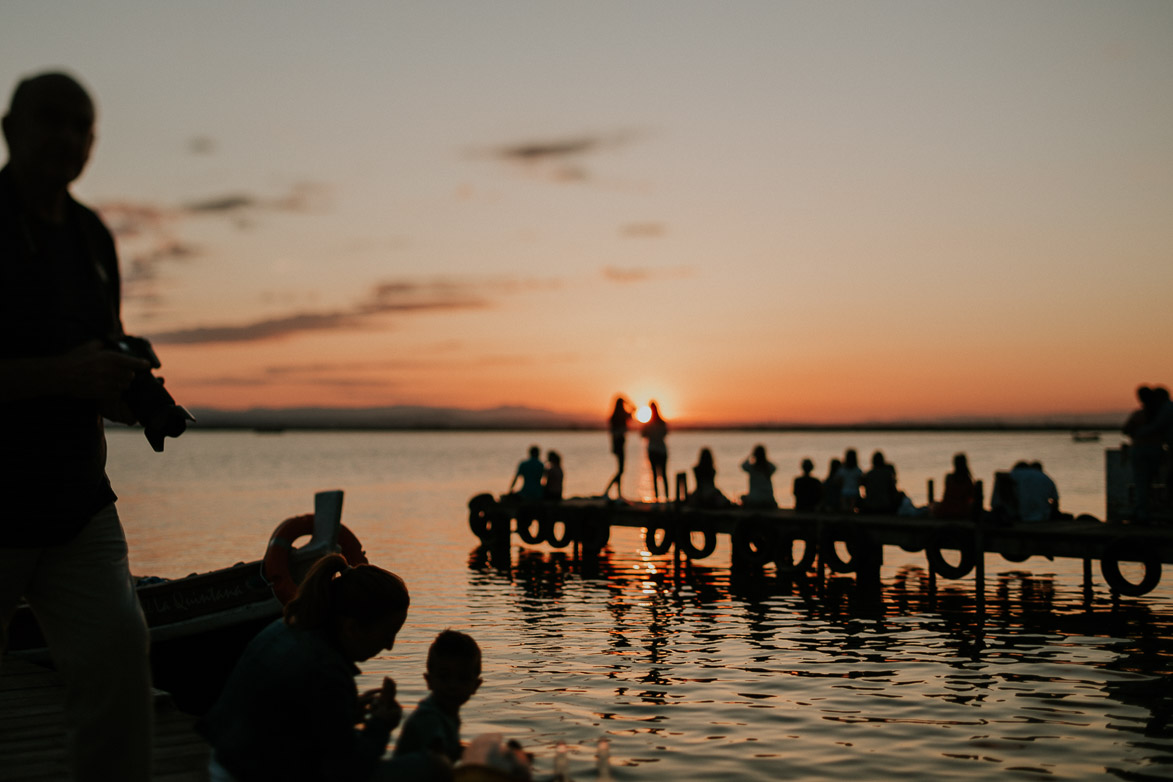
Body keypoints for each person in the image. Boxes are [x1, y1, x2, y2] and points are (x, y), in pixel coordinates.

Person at [0, 72, 157, 782]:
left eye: (80, 127)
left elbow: (101, 350)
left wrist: (131, 397)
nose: (65, 138)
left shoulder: (93, 236)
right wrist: (61, 377)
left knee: (119, 683)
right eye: (50, 120)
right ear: (9, 127)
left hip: (77, 506)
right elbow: (67, 371)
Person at [199, 554, 450, 782]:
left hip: (228, 766)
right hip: (255, 774)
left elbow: (287, 724)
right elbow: (348, 772)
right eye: (387, 634)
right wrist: (381, 725)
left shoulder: (288, 628)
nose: (390, 646)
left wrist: (345, 714)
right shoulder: (327, 671)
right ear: (352, 628)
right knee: (435, 767)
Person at [394, 630, 482, 764]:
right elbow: (438, 757)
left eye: (463, 679)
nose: (452, 685)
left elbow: (452, 752)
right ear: (428, 680)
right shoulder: (428, 718)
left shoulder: (447, 713)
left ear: (476, 686)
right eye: (444, 677)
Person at [1123, 385, 1165, 523]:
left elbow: (1126, 429)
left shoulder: (1139, 414)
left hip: (1140, 450)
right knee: (1152, 482)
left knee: (1141, 482)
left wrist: (1138, 432)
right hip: (1155, 450)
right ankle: (1148, 512)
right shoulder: (1160, 414)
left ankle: (1142, 512)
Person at [603, 397, 632, 499]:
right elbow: (633, 412)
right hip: (620, 444)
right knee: (621, 470)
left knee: (620, 469)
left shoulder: (615, 417)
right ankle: (608, 491)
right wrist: (629, 403)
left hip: (617, 445)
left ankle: (618, 493)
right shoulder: (620, 416)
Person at [932, 453, 975, 519]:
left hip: (946, 511)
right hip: (962, 512)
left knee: (933, 505)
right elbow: (972, 497)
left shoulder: (949, 478)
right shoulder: (968, 481)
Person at [641, 401, 669, 501]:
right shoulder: (662, 422)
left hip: (653, 450)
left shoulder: (648, 424)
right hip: (662, 450)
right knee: (664, 474)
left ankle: (656, 498)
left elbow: (643, 435)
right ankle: (666, 498)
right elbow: (665, 434)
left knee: (654, 475)